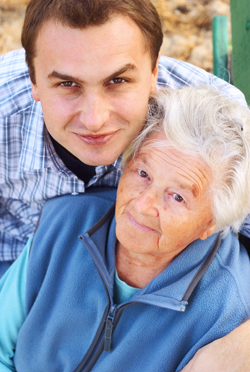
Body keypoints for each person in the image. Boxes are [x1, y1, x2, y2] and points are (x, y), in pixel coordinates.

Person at [1, 86, 250, 372]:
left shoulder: (227, 310)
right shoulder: (65, 221)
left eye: (178, 197)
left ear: (211, 224)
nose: (143, 205)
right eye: (143, 174)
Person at [0, 0, 247, 279]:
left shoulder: (220, 125)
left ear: (154, 71)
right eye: (68, 84)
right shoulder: (3, 109)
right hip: (16, 268)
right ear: (33, 79)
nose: (95, 119)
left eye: (117, 81)